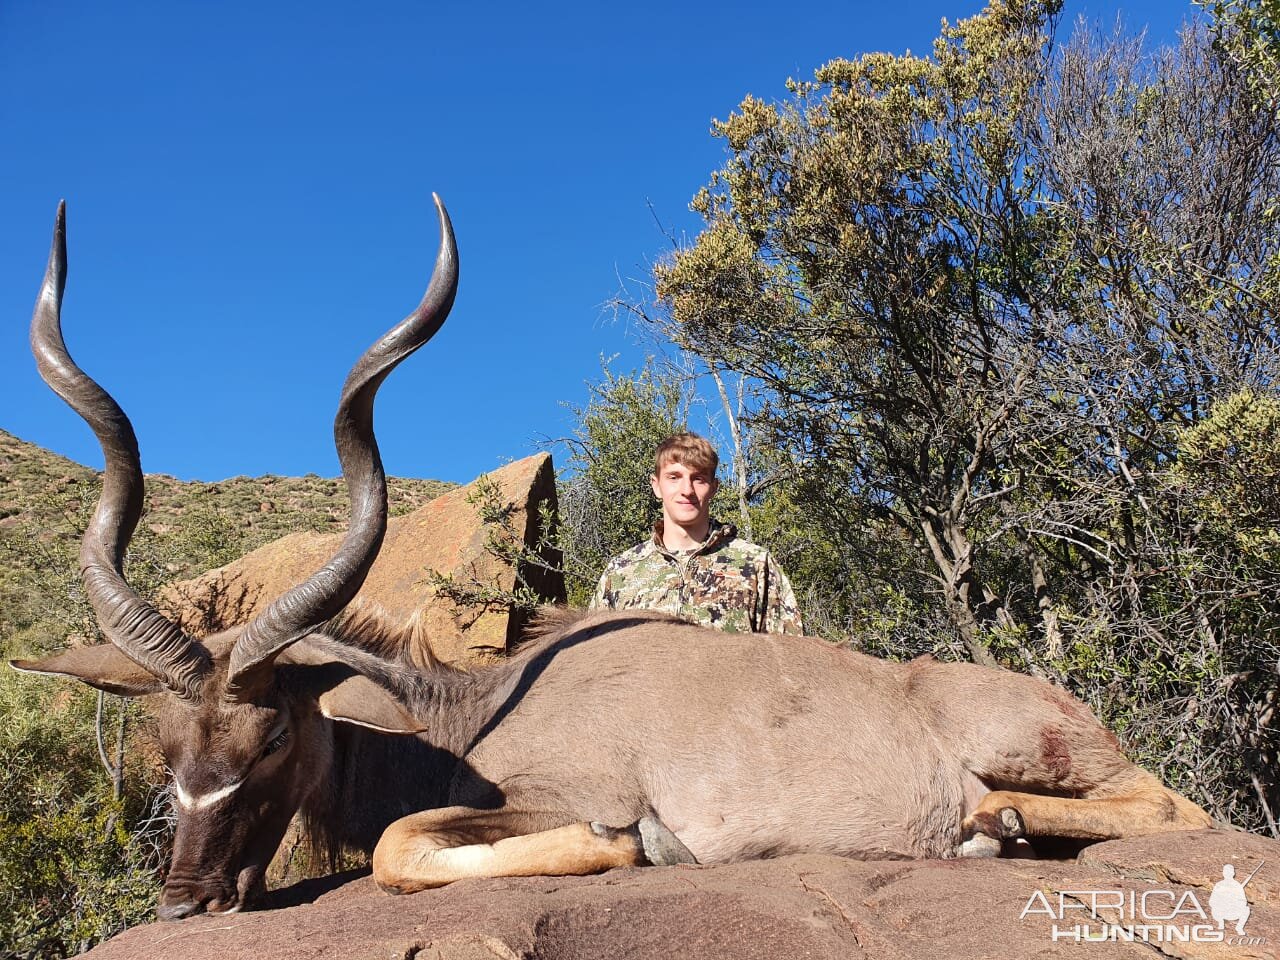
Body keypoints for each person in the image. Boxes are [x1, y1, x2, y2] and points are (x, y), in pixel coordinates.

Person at [589, 432, 804, 635]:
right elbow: (594, 658)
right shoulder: (621, 572)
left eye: (698, 478)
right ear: (656, 486)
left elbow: (789, 656)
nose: (687, 490)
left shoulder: (755, 564)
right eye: (674, 477)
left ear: (714, 487)